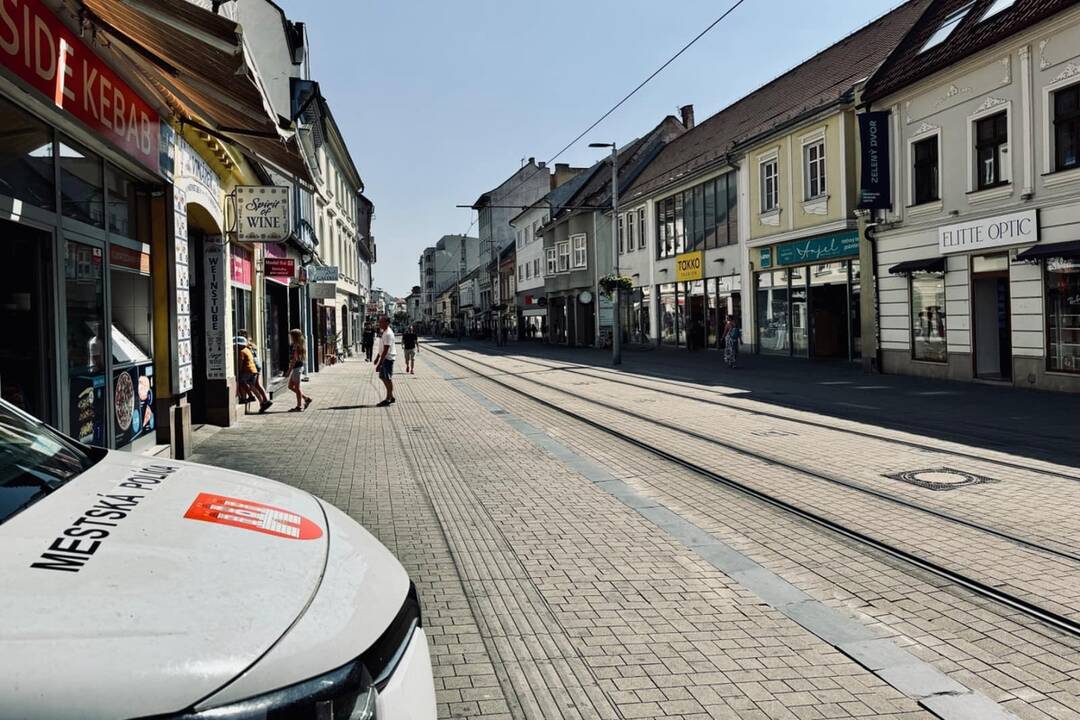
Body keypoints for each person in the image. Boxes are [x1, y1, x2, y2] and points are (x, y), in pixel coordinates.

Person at [237, 331, 271, 412]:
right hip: (256, 365)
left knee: (254, 385)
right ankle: (264, 401)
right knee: (255, 385)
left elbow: (244, 359)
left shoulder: (245, 347)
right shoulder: (251, 345)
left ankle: (263, 401)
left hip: (252, 366)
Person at [287, 329, 312, 411]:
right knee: (290, 386)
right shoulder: (296, 345)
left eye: (291, 335)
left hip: (296, 368)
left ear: (294, 336)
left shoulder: (296, 346)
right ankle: (306, 398)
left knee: (297, 388)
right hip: (297, 368)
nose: (289, 337)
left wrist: (289, 371)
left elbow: (294, 360)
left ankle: (299, 406)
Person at [373, 317, 396, 406]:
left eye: (381, 322)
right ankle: (391, 396)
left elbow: (386, 350)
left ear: (387, 323)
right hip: (385, 358)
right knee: (383, 377)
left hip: (388, 359)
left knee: (387, 378)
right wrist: (377, 357)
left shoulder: (388, 334)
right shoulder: (385, 332)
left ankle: (388, 398)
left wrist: (379, 363)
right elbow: (382, 348)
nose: (380, 324)